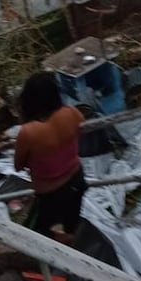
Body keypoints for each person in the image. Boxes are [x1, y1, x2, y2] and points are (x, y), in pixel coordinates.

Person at [14, 72, 87, 245]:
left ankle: (60, 258)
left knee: (44, 231)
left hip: (50, 192)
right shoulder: (72, 113)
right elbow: (81, 131)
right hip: (76, 179)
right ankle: (72, 245)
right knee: (71, 223)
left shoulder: (28, 132)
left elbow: (18, 165)